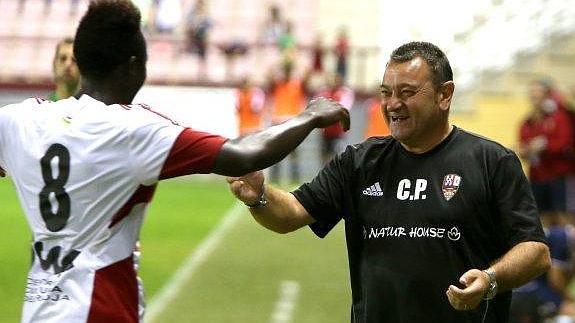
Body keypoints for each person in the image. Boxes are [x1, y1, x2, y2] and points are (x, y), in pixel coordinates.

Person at [0, 1, 350, 322]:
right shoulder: (131, 129)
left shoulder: (20, 120)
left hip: (39, 311)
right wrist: (310, 116)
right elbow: (246, 154)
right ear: (134, 66)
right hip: (100, 309)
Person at [228, 41, 551, 323]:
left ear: (444, 95)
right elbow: (291, 214)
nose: (392, 103)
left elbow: (535, 252)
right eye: (386, 93)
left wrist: (490, 278)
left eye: (407, 93)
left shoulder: (492, 162)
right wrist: (259, 196)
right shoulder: (359, 162)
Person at [518, 80, 574, 218]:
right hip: (537, 177)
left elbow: (565, 142)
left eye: (539, 94)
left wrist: (545, 145)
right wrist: (525, 150)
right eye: (533, 95)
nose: (535, 98)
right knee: (540, 218)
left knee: (563, 216)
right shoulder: (527, 122)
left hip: (560, 176)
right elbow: (523, 145)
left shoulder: (560, 117)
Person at [47, 37, 80, 102]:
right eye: (63, 58)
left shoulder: (92, 109)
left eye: (74, 60)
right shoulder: (41, 109)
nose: (68, 64)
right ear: (54, 64)